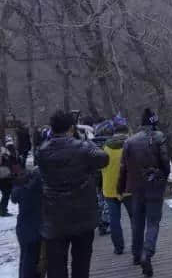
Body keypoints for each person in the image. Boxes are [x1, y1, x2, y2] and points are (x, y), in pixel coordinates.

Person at [38, 110, 109, 278]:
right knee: (81, 265)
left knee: (56, 267)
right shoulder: (83, 148)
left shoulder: (42, 152)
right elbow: (104, 159)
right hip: (82, 217)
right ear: (71, 128)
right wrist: (86, 141)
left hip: (54, 218)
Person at [117, 108, 170, 277]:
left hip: (136, 188)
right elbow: (166, 164)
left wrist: (120, 187)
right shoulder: (159, 137)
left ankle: (136, 254)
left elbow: (123, 167)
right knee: (153, 222)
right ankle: (147, 253)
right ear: (154, 122)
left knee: (137, 222)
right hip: (154, 186)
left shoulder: (129, 141)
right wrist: (163, 176)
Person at [101, 116, 132, 255]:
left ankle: (118, 247)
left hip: (109, 188)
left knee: (114, 220)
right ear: (126, 132)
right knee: (135, 218)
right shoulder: (130, 145)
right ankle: (138, 245)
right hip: (128, 187)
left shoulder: (106, 146)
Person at [11, 167, 43, 278]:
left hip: (23, 228)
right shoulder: (39, 186)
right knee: (32, 260)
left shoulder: (20, 189)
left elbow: (14, 198)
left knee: (25, 258)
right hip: (37, 228)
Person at [94, 119, 114, 236]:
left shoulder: (91, 143)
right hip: (107, 174)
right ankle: (105, 222)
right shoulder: (109, 143)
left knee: (99, 198)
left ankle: (100, 221)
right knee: (107, 199)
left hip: (95, 176)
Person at [0, 142, 19, 216]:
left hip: (3, 177)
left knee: (6, 194)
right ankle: (2, 210)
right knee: (6, 194)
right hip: (6, 177)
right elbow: (15, 166)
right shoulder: (10, 155)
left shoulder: (4, 154)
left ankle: (2, 209)